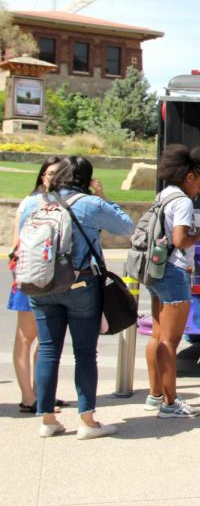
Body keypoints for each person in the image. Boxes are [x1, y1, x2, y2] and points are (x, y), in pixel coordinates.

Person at [22, 156, 133, 439]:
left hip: (41, 284)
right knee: (84, 353)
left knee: (48, 350)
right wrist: (104, 197)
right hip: (80, 283)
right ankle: (87, 420)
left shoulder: (35, 203)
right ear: (86, 178)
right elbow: (125, 226)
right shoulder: (90, 204)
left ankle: (46, 419)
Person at [143, 145, 200, 418]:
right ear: (189, 176)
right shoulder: (183, 201)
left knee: (157, 335)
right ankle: (170, 404)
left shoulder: (163, 195)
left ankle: (155, 394)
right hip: (175, 271)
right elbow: (180, 240)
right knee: (170, 342)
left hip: (156, 271)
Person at [8, 156, 66, 414]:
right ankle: (28, 396)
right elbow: (16, 244)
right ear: (42, 176)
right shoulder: (31, 203)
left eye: (60, 173)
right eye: (50, 173)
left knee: (46, 339)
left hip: (52, 277)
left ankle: (41, 391)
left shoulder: (63, 202)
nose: (54, 177)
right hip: (31, 274)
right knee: (26, 336)